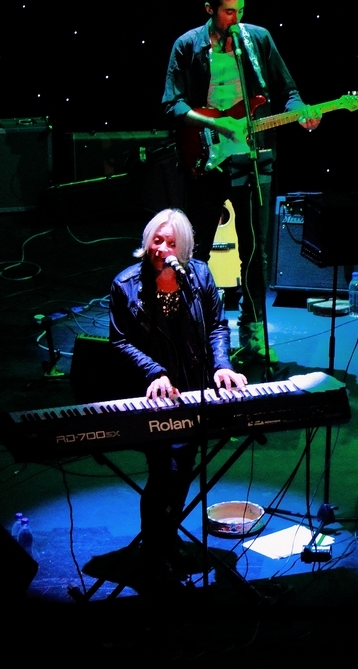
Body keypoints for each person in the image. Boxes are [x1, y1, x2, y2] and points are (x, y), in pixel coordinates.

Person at [162, 0, 321, 363]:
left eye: (241, 11)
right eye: (229, 11)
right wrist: (217, 124)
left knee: (255, 253)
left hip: (254, 158)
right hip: (206, 157)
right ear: (209, 9)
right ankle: (194, 330)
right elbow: (172, 104)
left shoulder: (258, 39)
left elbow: (289, 91)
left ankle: (254, 337)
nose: (236, 18)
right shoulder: (187, 46)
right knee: (194, 249)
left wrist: (300, 112)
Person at [109, 209, 247, 578]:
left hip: (193, 388)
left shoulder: (198, 275)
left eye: (171, 243)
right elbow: (119, 341)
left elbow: (218, 324)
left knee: (184, 468)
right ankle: (154, 550)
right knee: (164, 469)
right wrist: (154, 372)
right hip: (152, 393)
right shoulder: (125, 284)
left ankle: (167, 540)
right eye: (157, 240)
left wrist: (222, 365)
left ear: (183, 247)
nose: (163, 249)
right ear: (147, 240)